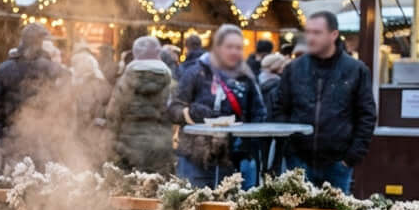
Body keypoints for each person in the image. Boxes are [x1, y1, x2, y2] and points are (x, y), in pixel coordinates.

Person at [271, 11, 377, 210]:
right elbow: (280, 108)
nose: (311, 38)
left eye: (317, 32)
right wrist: (288, 142)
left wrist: (350, 158)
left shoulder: (355, 70)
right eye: (308, 32)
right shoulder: (295, 69)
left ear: (333, 35)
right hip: (298, 162)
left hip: (336, 163)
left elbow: (367, 116)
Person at [170, 24, 267, 189]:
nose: (234, 51)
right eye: (229, 47)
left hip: (232, 161)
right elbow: (173, 109)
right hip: (195, 158)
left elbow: (258, 114)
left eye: (238, 47)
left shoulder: (246, 78)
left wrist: (247, 146)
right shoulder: (195, 73)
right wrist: (190, 113)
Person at [0, 23, 68, 164]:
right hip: (41, 133)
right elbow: (65, 93)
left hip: (12, 132)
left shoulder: (5, 68)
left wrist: (1, 130)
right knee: (41, 177)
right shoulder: (48, 67)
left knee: (14, 176)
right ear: (40, 42)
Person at [105, 35, 175, 173]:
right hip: (159, 147)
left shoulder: (126, 79)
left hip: (127, 147)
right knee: (155, 188)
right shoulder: (169, 79)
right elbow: (171, 113)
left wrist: (113, 140)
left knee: (129, 187)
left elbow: (112, 114)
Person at [71, 46, 112, 166]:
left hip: (90, 131)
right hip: (92, 130)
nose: (74, 67)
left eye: (76, 65)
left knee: (89, 162)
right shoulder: (95, 81)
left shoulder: (90, 83)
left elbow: (85, 111)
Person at [259, 52, 290, 177]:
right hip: (278, 128)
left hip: (259, 127)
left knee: (263, 161)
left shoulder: (258, 80)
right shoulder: (279, 84)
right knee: (276, 164)